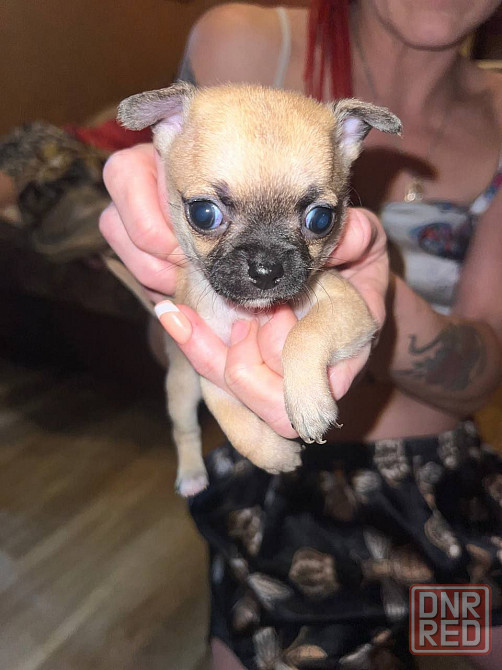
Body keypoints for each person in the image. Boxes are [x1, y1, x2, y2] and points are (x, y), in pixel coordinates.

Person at [100, 0, 502, 667]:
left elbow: (483, 375)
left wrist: (364, 306)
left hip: (438, 499)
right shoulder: (237, 41)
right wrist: (176, 287)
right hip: (276, 500)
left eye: (317, 219)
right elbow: (167, 344)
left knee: (469, 636)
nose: (265, 264)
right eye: (210, 213)